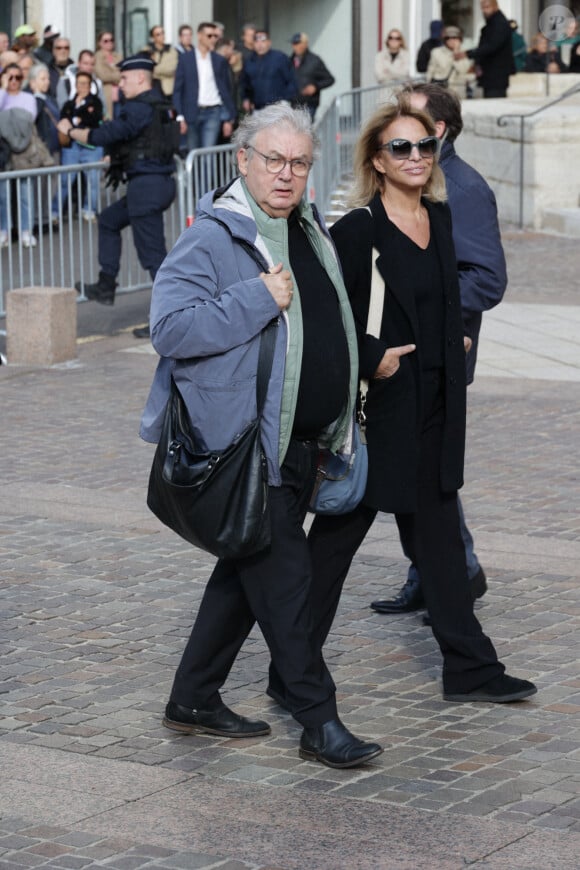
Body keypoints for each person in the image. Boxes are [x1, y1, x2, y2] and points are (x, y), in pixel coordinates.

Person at [139, 102, 383, 769]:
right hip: (249, 450)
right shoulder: (214, 237)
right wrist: (254, 298)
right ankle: (319, 721)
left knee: (242, 574)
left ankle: (192, 697)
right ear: (242, 160)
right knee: (287, 585)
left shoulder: (308, 227)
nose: (286, 173)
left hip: (304, 448)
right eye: (272, 159)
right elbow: (171, 329)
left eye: (299, 162)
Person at [301, 98, 537, 705]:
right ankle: (291, 670)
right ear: (377, 161)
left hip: (434, 407)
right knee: (332, 548)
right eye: (399, 148)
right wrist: (374, 353)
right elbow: (331, 314)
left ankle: (471, 669)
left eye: (422, 146)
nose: (414, 157)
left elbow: (447, 294)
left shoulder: (440, 216)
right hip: (380, 415)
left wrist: (450, 332)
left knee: (438, 547)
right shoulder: (359, 228)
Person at [371, 81, 507, 619]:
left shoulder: (463, 188)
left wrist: (435, 313)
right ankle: (436, 573)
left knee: (426, 473)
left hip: (440, 354)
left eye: (414, 124)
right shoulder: (419, 179)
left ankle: (456, 572)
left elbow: (487, 278)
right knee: (414, 471)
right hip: (405, 353)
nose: (402, 131)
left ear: (439, 131)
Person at [61, 55, 176, 306]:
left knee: (154, 257)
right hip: (157, 183)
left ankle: (171, 315)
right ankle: (106, 285)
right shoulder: (160, 104)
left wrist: (70, 131)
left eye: (124, 78)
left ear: (140, 78)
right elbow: (141, 138)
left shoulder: (138, 106)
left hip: (147, 187)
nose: (120, 84)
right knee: (109, 221)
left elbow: (106, 133)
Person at [172, 22, 236, 152]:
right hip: (191, 112)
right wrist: (180, 116)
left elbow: (227, 90)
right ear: (200, 36)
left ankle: (207, 174)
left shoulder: (219, 60)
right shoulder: (185, 59)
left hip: (213, 111)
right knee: (194, 152)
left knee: (208, 153)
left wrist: (229, 118)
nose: (213, 39)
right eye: (209, 35)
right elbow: (178, 89)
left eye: (215, 36)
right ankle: (195, 174)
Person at [54, 71, 105, 224]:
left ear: (90, 86)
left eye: (85, 83)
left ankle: (89, 209)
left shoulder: (95, 102)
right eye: (79, 83)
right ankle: (55, 211)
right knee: (65, 180)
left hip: (90, 147)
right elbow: (64, 120)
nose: (82, 87)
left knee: (93, 181)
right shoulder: (69, 104)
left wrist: (76, 119)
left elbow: (93, 119)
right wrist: (78, 114)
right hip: (72, 146)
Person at [0, 61, 38, 248]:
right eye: (9, 77)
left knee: (25, 194)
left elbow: (28, 120)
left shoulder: (28, 98)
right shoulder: (1, 95)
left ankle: (26, 231)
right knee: (3, 195)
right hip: (3, 151)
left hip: (23, 151)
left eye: (18, 77)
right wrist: (3, 89)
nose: (14, 81)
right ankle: (4, 231)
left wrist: (6, 119)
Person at [459, 0, 514, 98]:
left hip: (497, 75)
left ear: (495, 7)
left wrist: (468, 54)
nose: (484, 11)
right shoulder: (491, 25)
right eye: (482, 8)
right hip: (490, 74)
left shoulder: (499, 24)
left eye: (487, 7)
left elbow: (491, 46)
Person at [239, 29, 298, 112]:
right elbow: (245, 83)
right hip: (258, 108)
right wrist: (246, 98)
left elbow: (292, 80)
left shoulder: (280, 58)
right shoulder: (249, 61)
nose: (260, 44)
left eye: (263, 41)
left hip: (278, 107)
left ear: (269, 42)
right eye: (257, 41)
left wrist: (286, 100)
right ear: (253, 44)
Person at [289, 32, 335, 121]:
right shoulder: (290, 61)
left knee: (306, 131)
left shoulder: (315, 60)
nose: (295, 46)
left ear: (305, 44)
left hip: (309, 104)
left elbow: (330, 79)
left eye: (297, 43)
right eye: (293, 44)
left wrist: (315, 87)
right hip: (294, 103)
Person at [426, 26, 475, 99]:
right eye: (448, 38)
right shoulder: (436, 52)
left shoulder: (465, 53)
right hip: (440, 91)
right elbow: (430, 73)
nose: (452, 41)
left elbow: (463, 70)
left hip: (458, 92)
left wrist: (456, 52)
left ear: (460, 40)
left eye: (455, 38)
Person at [144, 25, 178, 97]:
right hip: (151, 89)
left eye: (162, 33)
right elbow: (144, 69)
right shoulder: (147, 51)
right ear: (153, 38)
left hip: (167, 90)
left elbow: (171, 70)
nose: (162, 36)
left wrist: (154, 70)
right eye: (158, 34)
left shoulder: (172, 51)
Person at [94, 31, 122, 118]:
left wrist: (111, 74)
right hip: (107, 95)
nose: (109, 42)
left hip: (120, 95)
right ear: (99, 43)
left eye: (111, 40)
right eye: (106, 41)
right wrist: (117, 75)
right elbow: (102, 75)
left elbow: (124, 73)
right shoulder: (97, 57)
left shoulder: (118, 56)